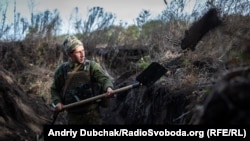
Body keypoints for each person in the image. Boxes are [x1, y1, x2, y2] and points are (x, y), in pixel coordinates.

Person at [50, 35, 114, 125]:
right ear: (70, 54)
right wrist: (58, 102)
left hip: (92, 115)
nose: (83, 54)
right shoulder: (62, 70)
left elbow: (103, 78)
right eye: (78, 52)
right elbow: (54, 89)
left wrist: (108, 88)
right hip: (73, 117)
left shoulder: (92, 66)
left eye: (83, 50)